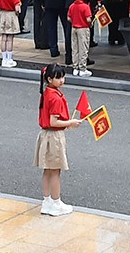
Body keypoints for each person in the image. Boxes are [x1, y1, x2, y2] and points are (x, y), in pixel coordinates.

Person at [38, 64, 82, 216]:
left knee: (47, 169)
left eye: (62, 76)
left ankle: (47, 201)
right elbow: (54, 122)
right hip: (54, 136)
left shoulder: (47, 93)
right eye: (58, 77)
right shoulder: (55, 97)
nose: (62, 80)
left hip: (45, 135)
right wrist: (70, 123)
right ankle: (56, 202)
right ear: (50, 79)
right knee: (55, 170)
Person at [65, 0, 95, 74]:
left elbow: (68, 18)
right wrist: (91, 24)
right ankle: (82, 68)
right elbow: (88, 19)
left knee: (75, 48)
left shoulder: (72, 6)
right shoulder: (85, 7)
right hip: (83, 28)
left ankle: (75, 67)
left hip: (74, 28)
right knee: (83, 49)